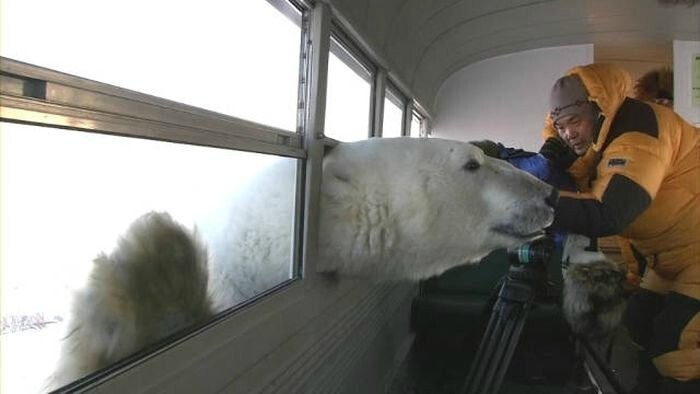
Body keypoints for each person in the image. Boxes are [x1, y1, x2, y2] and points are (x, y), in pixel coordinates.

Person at [539, 63, 700, 393]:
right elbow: (622, 216)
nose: (568, 133)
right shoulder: (604, 143)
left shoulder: (640, 130)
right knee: (638, 327)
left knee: (675, 349)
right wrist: (566, 163)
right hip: (671, 259)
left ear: (597, 111)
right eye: (561, 127)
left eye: (575, 122)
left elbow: (609, 213)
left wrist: (531, 201)